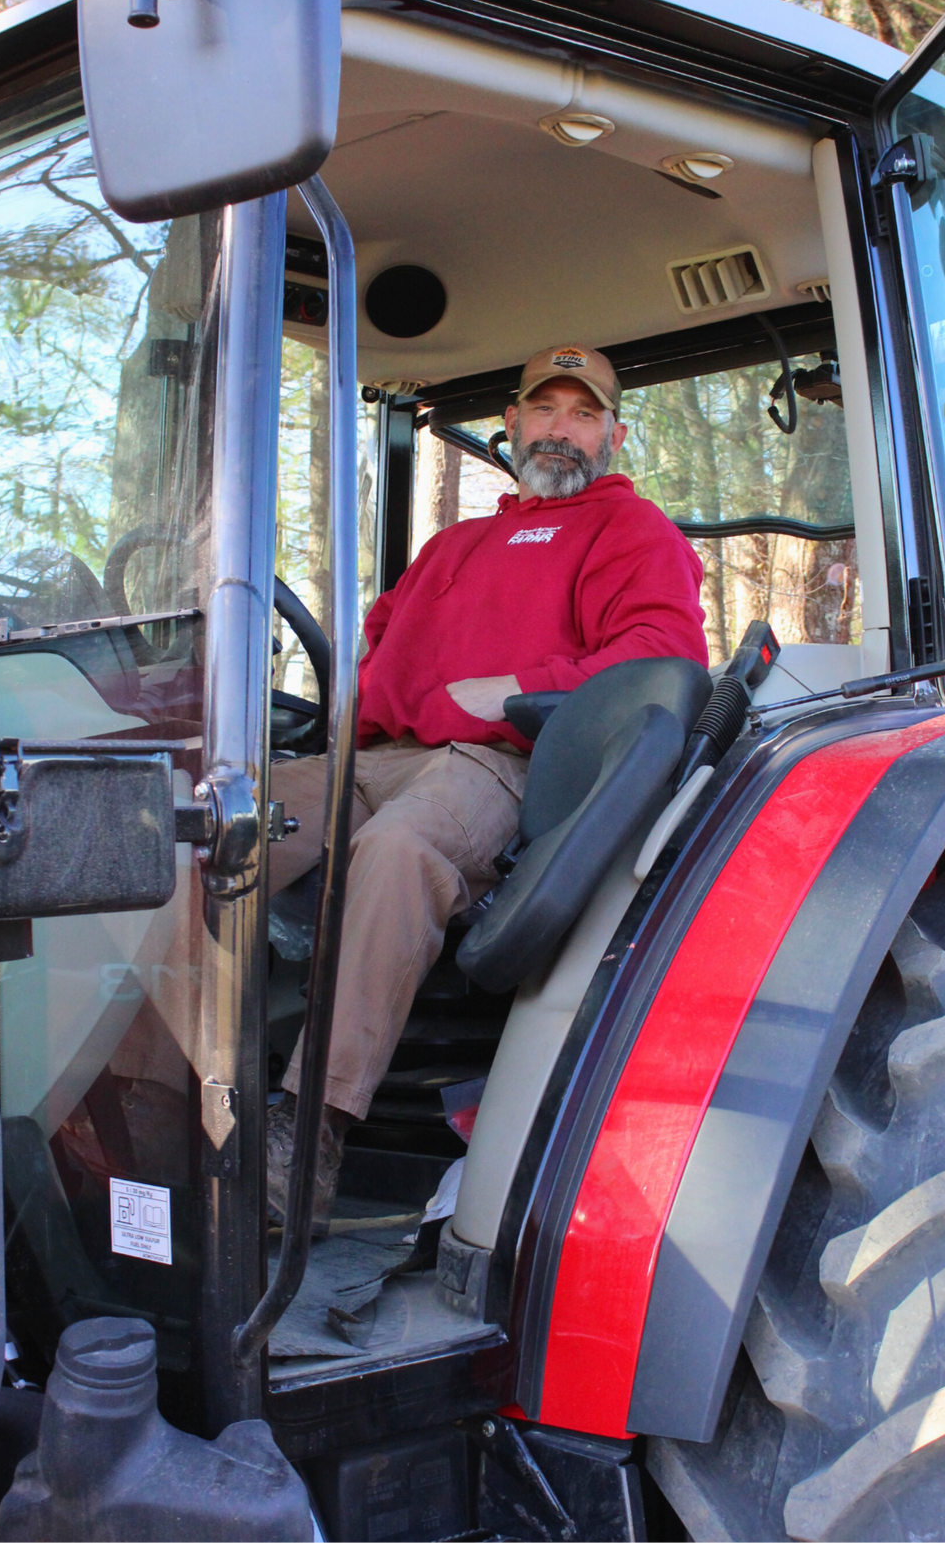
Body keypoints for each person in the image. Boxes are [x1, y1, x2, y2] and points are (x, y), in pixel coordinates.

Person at [266, 342, 707, 1230]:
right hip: (369, 755)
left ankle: (305, 1135)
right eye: (544, 409)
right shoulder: (453, 546)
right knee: (209, 828)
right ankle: (145, 1110)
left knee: (399, 850)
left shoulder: (631, 532)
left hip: (501, 760)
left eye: (584, 413)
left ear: (614, 435)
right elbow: (372, 645)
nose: (561, 429)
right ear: (509, 427)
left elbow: (664, 657)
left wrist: (516, 692)